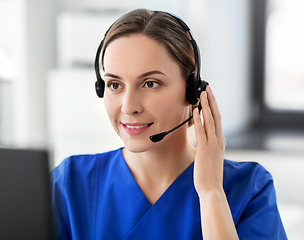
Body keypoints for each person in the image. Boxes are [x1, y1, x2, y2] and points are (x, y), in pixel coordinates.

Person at [50, 8, 287, 240]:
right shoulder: (69, 184)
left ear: (192, 90)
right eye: (114, 85)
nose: (128, 106)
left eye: (150, 83)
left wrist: (211, 193)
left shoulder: (248, 189)